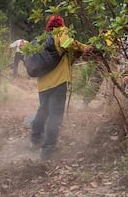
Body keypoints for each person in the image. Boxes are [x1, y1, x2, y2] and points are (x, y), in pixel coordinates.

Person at [31, 14, 93, 161]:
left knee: (43, 110)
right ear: (61, 25)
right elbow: (66, 43)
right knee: (55, 116)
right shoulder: (60, 32)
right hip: (58, 83)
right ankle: (48, 150)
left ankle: (34, 139)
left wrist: (78, 53)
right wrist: (84, 47)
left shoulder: (42, 39)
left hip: (43, 84)